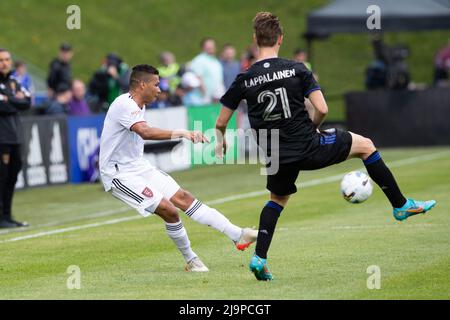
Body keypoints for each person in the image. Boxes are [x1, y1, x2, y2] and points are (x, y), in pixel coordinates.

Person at [215, 12, 436, 281]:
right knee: (365, 146)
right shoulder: (297, 68)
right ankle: (400, 205)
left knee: (277, 200)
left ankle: (259, 259)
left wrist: (221, 140)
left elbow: (221, 121)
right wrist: (313, 126)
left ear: (254, 39)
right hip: (308, 145)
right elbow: (322, 108)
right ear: (280, 39)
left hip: (276, 154)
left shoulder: (243, 79)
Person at [99, 64, 257, 271]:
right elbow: (145, 132)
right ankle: (192, 260)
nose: (159, 90)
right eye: (156, 85)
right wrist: (182, 132)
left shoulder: (139, 105)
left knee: (184, 198)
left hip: (138, 167)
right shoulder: (124, 105)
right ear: (142, 84)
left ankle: (238, 234)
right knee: (169, 210)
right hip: (118, 174)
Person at [0, 48, 31, 228]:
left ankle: (7, 215)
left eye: (7, 59)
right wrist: (14, 101)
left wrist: (8, 99)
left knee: (12, 176)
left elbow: (27, 101)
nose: (4, 63)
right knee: (1, 176)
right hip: (2, 138)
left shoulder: (14, 81)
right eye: (1, 60)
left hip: (15, 136)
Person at [189, 38, 225, 104]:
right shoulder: (199, 60)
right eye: (208, 46)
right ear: (203, 48)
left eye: (212, 46)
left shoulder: (215, 60)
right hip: (204, 98)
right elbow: (198, 77)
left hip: (216, 96)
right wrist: (205, 95)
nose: (211, 48)